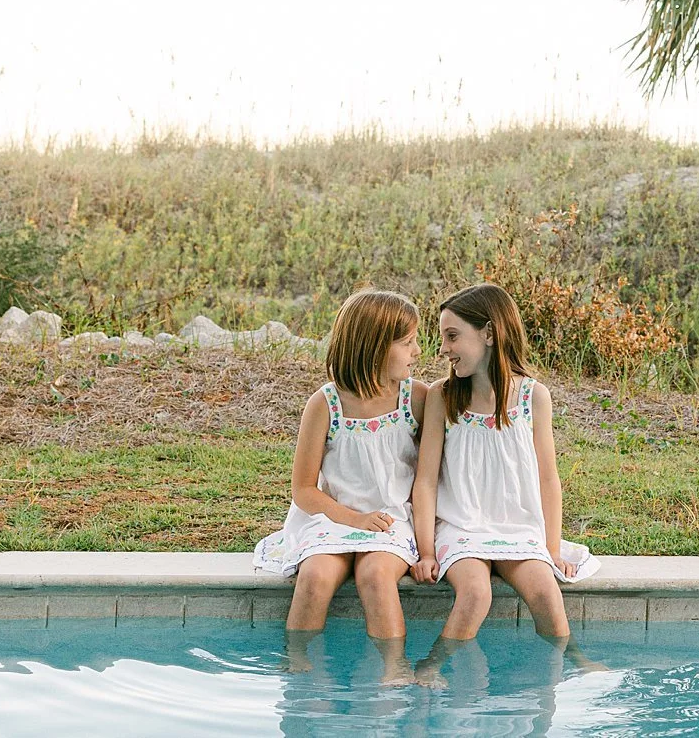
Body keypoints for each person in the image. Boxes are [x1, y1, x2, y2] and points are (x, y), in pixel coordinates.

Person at [410, 282, 596, 642]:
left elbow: (547, 479)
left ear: (490, 333)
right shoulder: (442, 397)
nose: (443, 349)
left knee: (546, 594)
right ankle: (432, 670)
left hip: (517, 528)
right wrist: (427, 552)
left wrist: (552, 549)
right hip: (460, 526)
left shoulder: (533, 396)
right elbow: (426, 481)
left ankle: (556, 677)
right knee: (476, 594)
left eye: (452, 336)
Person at [255, 288, 425, 665]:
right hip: (333, 517)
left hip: (390, 520)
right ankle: (301, 672)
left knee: (377, 577)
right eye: (408, 343)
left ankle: (392, 671)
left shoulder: (416, 399)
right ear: (376, 346)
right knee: (314, 577)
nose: (417, 352)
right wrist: (353, 519)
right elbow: (303, 490)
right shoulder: (325, 404)